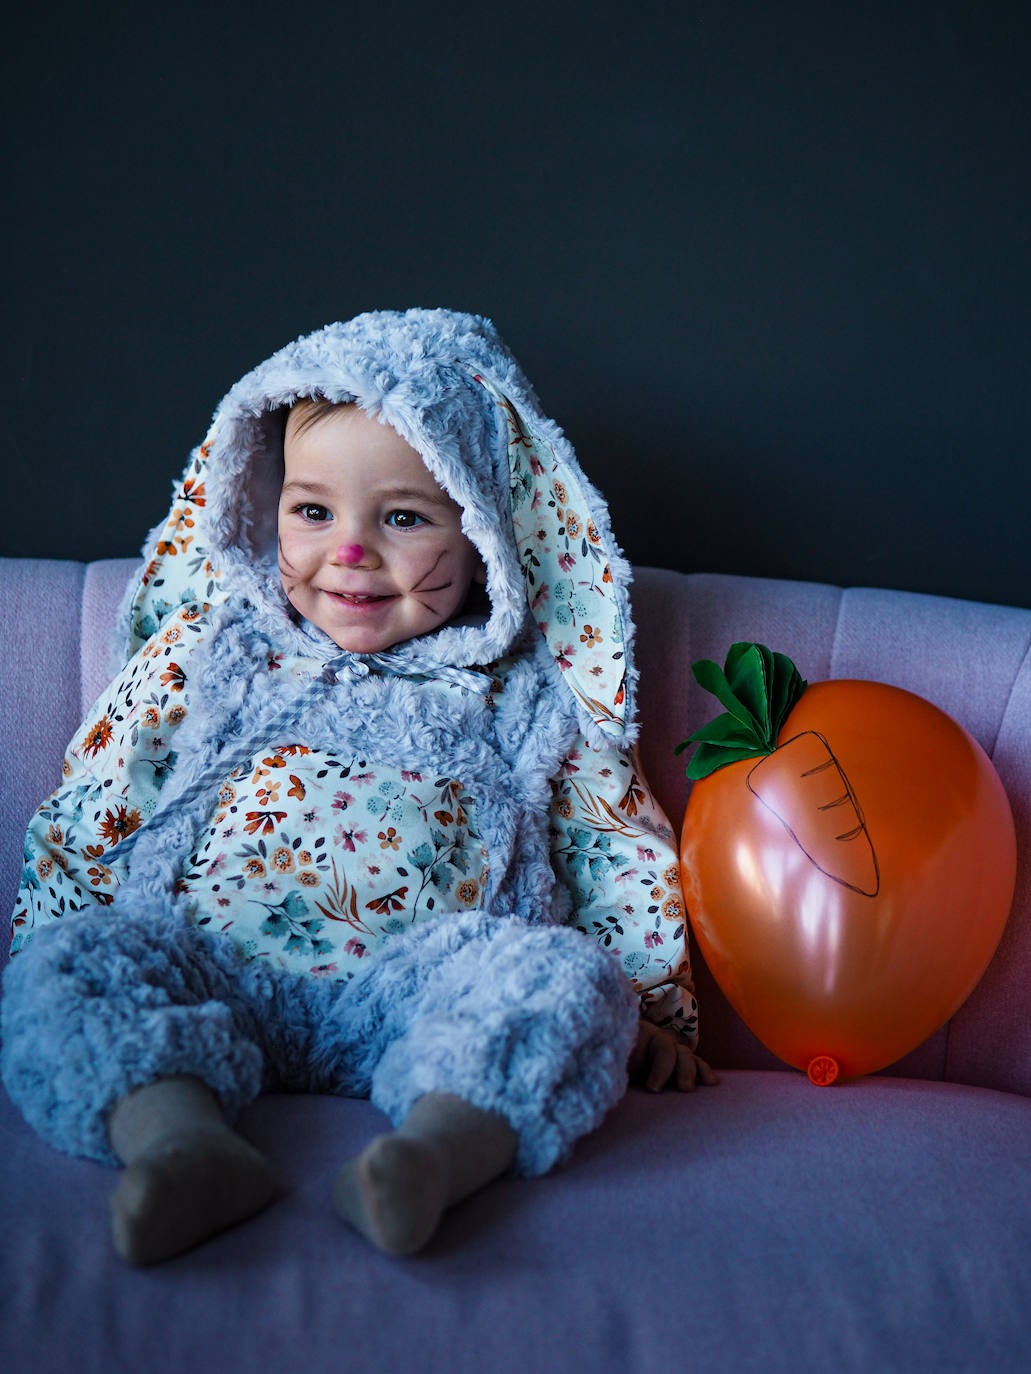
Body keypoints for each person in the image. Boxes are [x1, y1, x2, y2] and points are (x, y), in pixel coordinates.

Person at [1, 308, 715, 1266]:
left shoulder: (522, 691)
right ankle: (178, 1144)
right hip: (206, 969)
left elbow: (605, 839)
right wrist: (57, 926)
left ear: (483, 536)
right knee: (69, 964)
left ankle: (426, 1158)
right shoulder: (212, 654)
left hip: (418, 993)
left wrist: (652, 1004)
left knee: (564, 979)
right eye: (312, 511)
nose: (348, 551)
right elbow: (97, 799)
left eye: (405, 518)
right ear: (262, 508)